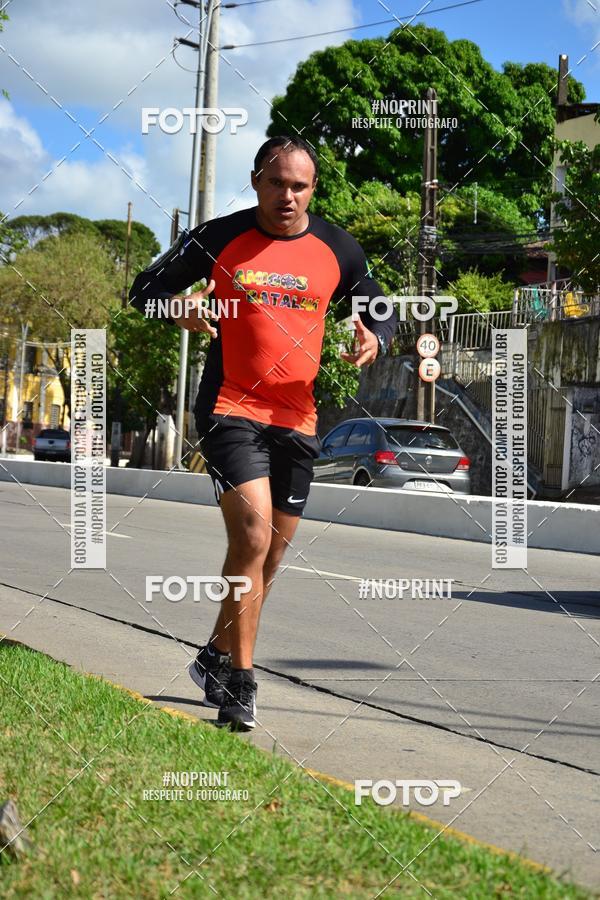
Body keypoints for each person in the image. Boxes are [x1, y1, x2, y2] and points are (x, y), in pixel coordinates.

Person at [129, 135, 397, 731]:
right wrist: (177, 309)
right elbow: (142, 292)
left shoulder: (336, 247)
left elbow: (377, 301)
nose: (288, 196)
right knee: (251, 534)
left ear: (313, 189)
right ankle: (243, 685)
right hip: (230, 407)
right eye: (277, 183)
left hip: (298, 417)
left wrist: (376, 332)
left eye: (300, 186)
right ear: (256, 182)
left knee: (270, 554)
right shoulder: (220, 237)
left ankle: (214, 657)